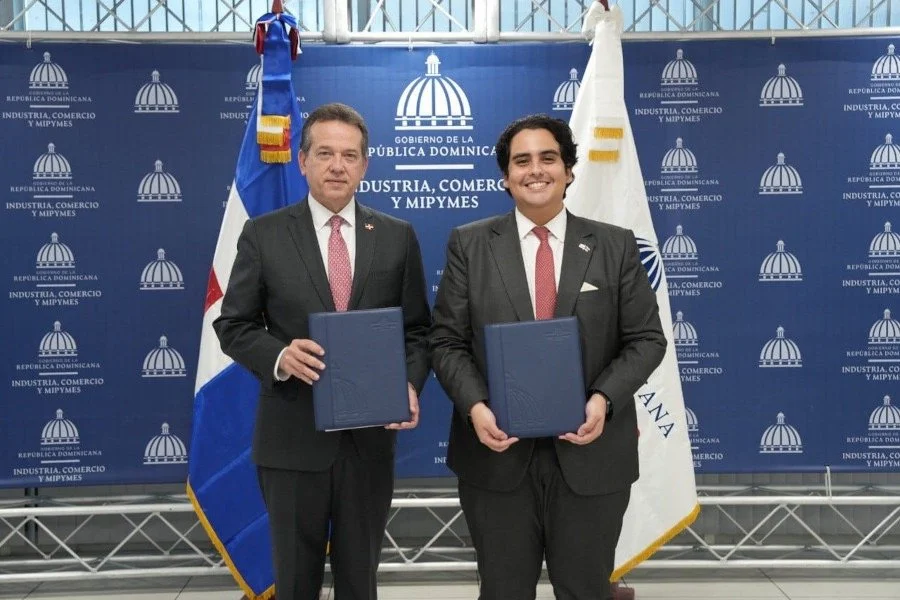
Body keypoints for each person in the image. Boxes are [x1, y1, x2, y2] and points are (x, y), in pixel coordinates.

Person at [430, 114, 666, 600]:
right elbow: (446, 341)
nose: (535, 170)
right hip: (496, 457)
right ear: (505, 177)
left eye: (548, 158)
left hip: (591, 455)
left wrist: (603, 399)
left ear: (568, 170)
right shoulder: (469, 245)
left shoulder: (615, 245)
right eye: (522, 161)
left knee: (585, 590)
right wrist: (476, 407)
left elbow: (647, 339)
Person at [214, 102, 431, 600]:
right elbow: (233, 325)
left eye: (350, 155)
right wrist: (279, 356)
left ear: (365, 164)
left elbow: (419, 330)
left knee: (360, 581)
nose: (338, 166)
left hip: (368, 443)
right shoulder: (263, 234)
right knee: (295, 582)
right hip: (292, 439)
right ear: (303, 160)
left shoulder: (396, 236)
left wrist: (409, 382)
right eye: (325, 153)